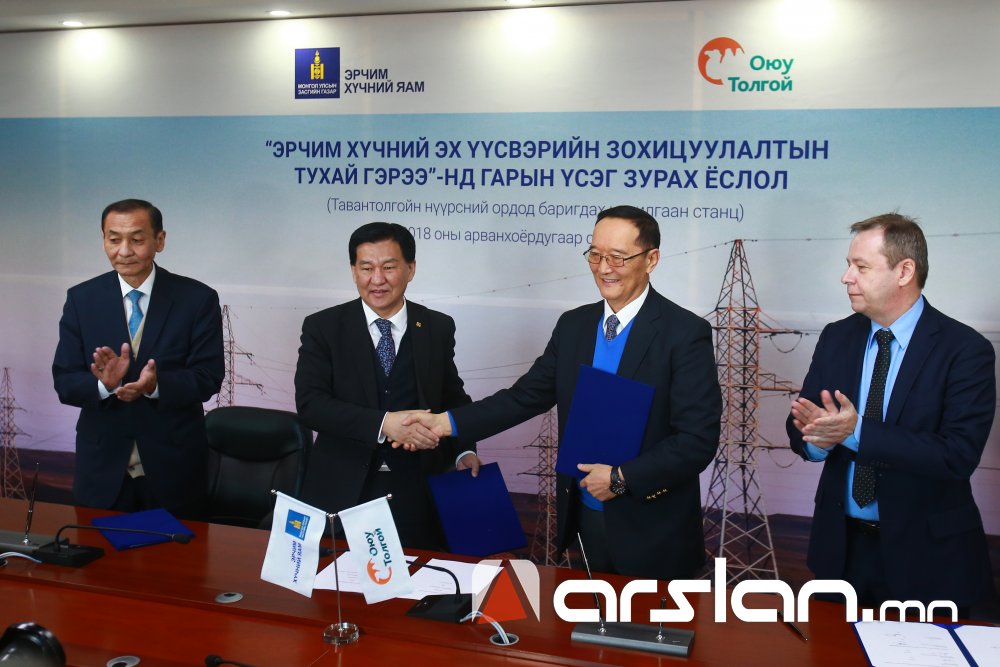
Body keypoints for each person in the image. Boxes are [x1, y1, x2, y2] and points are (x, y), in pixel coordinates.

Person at [401, 206, 722, 578]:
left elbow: (697, 440)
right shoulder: (574, 326)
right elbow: (523, 398)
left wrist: (621, 479)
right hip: (586, 521)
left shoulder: (684, 333)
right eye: (595, 255)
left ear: (651, 259)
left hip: (654, 530)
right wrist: (445, 424)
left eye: (618, 257)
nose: (604, 268)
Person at [788, 213, 995, 610]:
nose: (846, 277)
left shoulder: (965, 350)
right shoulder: (836, 336)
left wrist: (854, 432)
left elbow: (957, 455)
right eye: (848, 265)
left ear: (904, 271)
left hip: (927, 561)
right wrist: (817, 438)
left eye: (861, 267)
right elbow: (805, 423)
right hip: (839, 554)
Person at [294, 222, 479, 550]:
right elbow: (311, 405)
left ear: (410, 269)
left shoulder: (436, 326)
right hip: (343, 487)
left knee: (419, 575)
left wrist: (465, 450)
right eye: (367, 268)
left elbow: (452, 396)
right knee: (338, 580)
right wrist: (384, 424)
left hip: (418, 490)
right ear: (354, 271)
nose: (377, 279)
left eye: (389, 267)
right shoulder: (323, 327)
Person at [52, 199, 224, 517]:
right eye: (114, 239)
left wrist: (156, 385)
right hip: (102, 471)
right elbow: (65, 381)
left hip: (174, 470)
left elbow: (208, 377)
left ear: (159, 240)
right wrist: (103, 385)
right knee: (96, 550)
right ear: (103, 240)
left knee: (174, 551)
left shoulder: (197, 299)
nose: (124, 251)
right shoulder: (82, 299)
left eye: (137, 239)